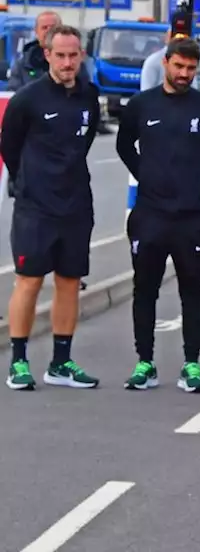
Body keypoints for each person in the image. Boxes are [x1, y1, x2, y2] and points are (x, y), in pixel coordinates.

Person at [116, 38, 200, 392]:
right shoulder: (141, 105)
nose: (184, 74)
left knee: (192, 290)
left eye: (191, 69)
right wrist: (146, 173)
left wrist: (194, 179)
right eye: (178, 66)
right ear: (166, 63)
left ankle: (191, 364)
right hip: (149, 214)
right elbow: (123, 145)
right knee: (144, 289)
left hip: (191, 217)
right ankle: (144, 362)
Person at [1, 25, 101, 390]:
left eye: (73, 55)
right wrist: (29, 181)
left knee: (70, 283)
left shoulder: (90, 95)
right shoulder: (27, 100)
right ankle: (19, 362)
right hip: (36, 209)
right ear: (47, 55)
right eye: (60, 55)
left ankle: (61, 363)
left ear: (81, 56)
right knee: (28, 282)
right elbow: (10, 147)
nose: (67, 62)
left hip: (76, 206)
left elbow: (85, 142)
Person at [7, 12, 91, 92]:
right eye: (44, 27)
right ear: (36, 32)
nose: (49, 31)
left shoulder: (75, 64)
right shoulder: (23, 65)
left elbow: (83, 91)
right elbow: (13, 94)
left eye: (53, 27)